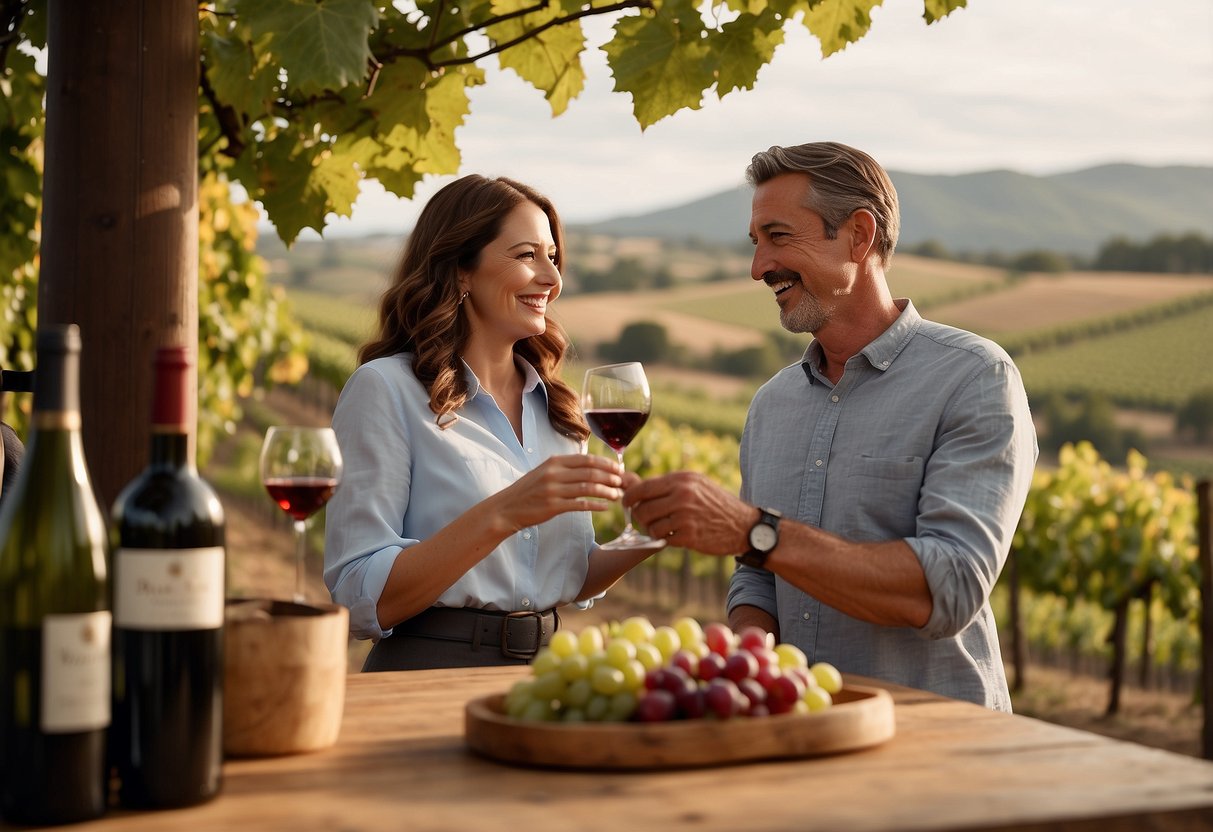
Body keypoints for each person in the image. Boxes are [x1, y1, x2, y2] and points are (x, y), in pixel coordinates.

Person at [623, 142, 1037, 710]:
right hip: (796, 731)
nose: (758, 267)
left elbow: (949, 587)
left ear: (859, 236)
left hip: (937, 745)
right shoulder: (772, 404)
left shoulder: (973, 378)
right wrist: (742, 666)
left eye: (779, 236)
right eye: (755, 242)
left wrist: (754, 531)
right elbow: (758, 579)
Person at [325, 174, 660, 671]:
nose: (552, 278)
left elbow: (569, 571)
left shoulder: (559, 409)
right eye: (527, 256)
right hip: (429, 670)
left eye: (552, 256)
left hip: (546, 670)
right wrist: (507, 511)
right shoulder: (386, 390)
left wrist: (655, 534)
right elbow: (356, 597)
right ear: (461, 271)